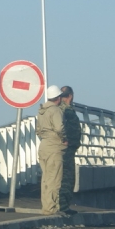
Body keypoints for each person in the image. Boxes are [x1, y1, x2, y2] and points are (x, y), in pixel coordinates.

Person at [36, 85, 68, 215]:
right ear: (58, 98)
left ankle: (46, 207)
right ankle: (51, 209)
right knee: (54, 179)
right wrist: (64, 139)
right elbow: (60, 128)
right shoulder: (55, 110)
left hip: (44, 145)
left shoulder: (41, 111)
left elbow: (38, 130)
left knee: (45, 179)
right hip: (54, 146)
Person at [59, 86, 81, 215]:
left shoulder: (60, 109)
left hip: (67, 147)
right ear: (71, 96)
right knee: (67, 178)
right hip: (66, 148)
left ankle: (63, 205)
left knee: (64, 177)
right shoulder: (66, 110)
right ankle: (63, 206)